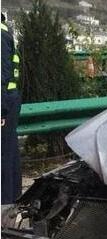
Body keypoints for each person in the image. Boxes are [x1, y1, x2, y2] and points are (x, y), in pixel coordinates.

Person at [1, 12, 22, 205]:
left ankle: (4, 206)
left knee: (3, 159)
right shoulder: (5, 32)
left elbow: (2, 75)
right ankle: (13, 201)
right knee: (9, 154)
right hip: (9, 101)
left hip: (4, 102)